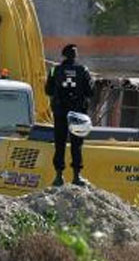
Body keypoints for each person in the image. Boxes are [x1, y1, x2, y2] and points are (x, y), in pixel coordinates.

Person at [45, 44, 93, 187]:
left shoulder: (55, 70)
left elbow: (48, 90)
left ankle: (58, 177)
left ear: (64, 56)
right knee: (76, 145)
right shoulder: (83, 70)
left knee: (59, 144)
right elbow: (90, 92)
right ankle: (76, 177)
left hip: (60, 113)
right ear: (75, 56)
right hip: (77, 114)